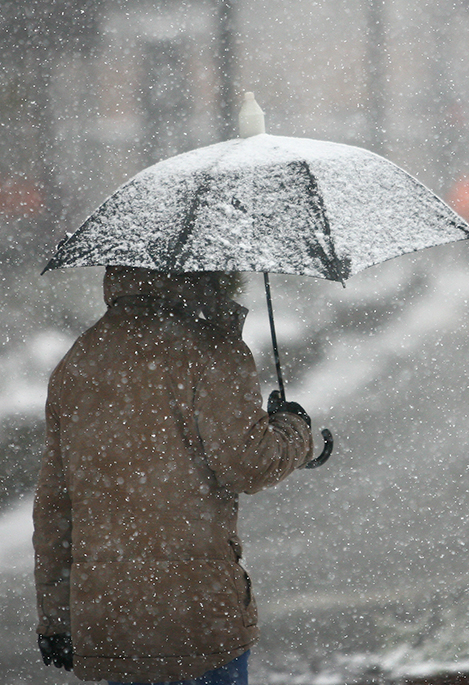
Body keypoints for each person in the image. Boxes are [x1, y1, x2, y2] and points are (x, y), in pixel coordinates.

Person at [34, 265, 314, 685]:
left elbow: (55, 506)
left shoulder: (79, 361)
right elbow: (249, 464)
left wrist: (55, 617)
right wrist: (296, 431)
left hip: (112, 617)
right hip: (196, 615)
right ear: (211, 272)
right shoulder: (213, 351)